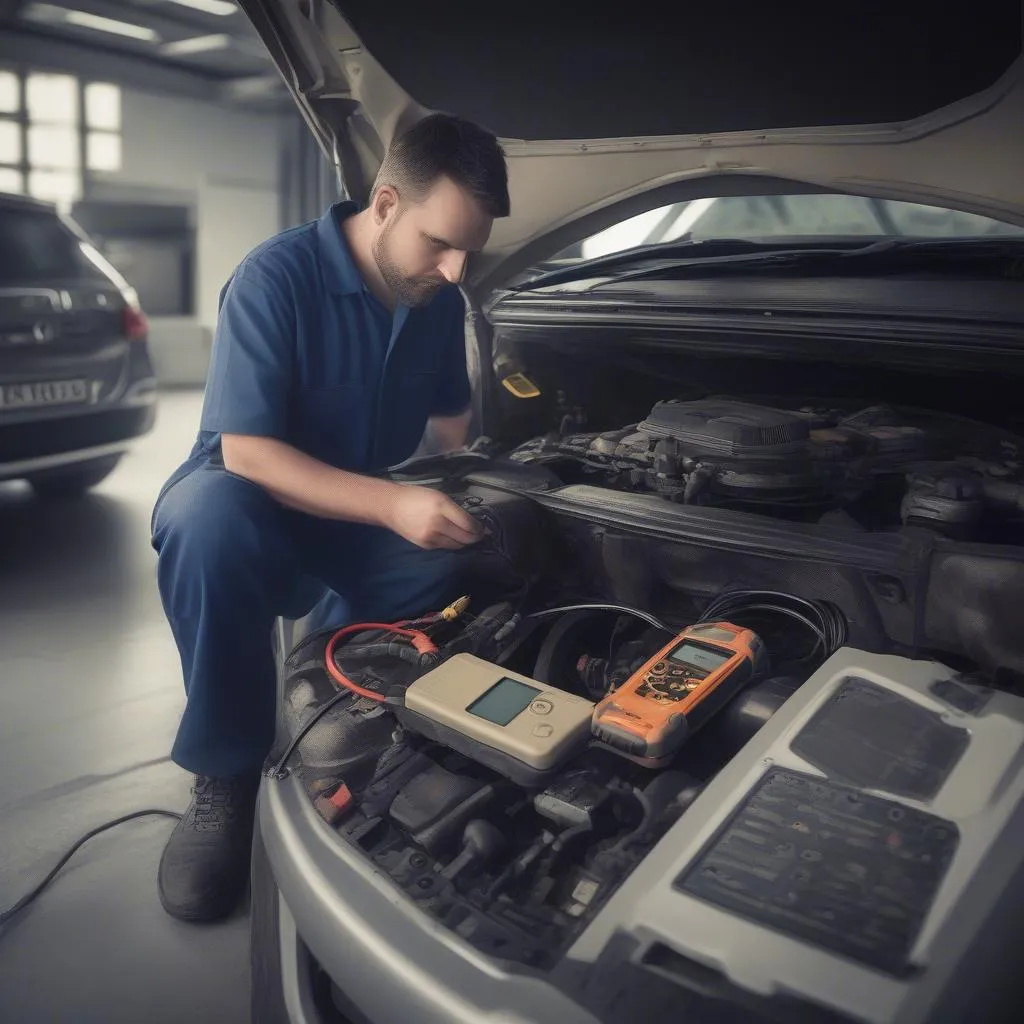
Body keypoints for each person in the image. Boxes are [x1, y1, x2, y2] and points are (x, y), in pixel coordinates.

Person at [150, 113, 510, 922]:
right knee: (206, 523)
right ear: (385, 203)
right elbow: (248, 455)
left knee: (471, 557)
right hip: (249, 497)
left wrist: (453, 497)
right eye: (440, 243)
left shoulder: (434, 299)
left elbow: (451, 424)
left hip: (359, 502)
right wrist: (392, 503)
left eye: (470, 251)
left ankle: (338, 706)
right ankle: (225, 772)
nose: (457, 270)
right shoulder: (273, 279)